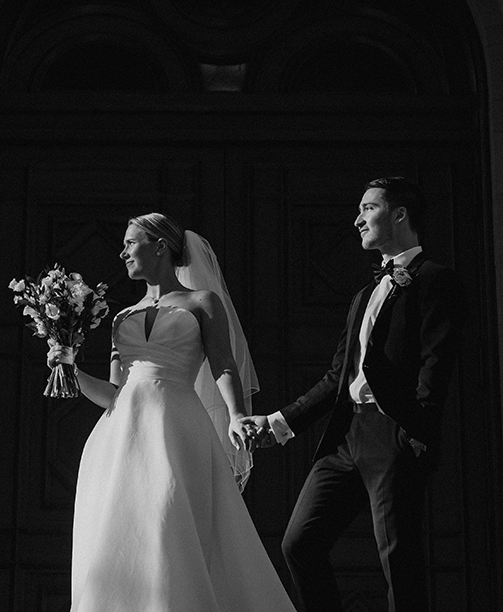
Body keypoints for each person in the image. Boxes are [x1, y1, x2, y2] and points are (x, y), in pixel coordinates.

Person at [49, 212, 298, 612]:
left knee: (168, 521)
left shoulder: (202, 302)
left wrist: (236, 415)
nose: (122, 252)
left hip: (176, 428)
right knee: (118, 533)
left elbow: (224, 364)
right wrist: (70, 369)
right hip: (119, 438)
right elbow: (113, 394)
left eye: (131, 243)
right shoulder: (121, 318)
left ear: (160, 246)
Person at [238, 177, 466, 612]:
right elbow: (337, 378)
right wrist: (277, 423)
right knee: (299, 543)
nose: (357, 219)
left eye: (368, 208)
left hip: (394, 431)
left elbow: (436, 364)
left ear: (399, 214)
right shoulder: (364, 295)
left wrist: (415, 431)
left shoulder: (436, 280)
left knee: (398, 559)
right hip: (347, 436)